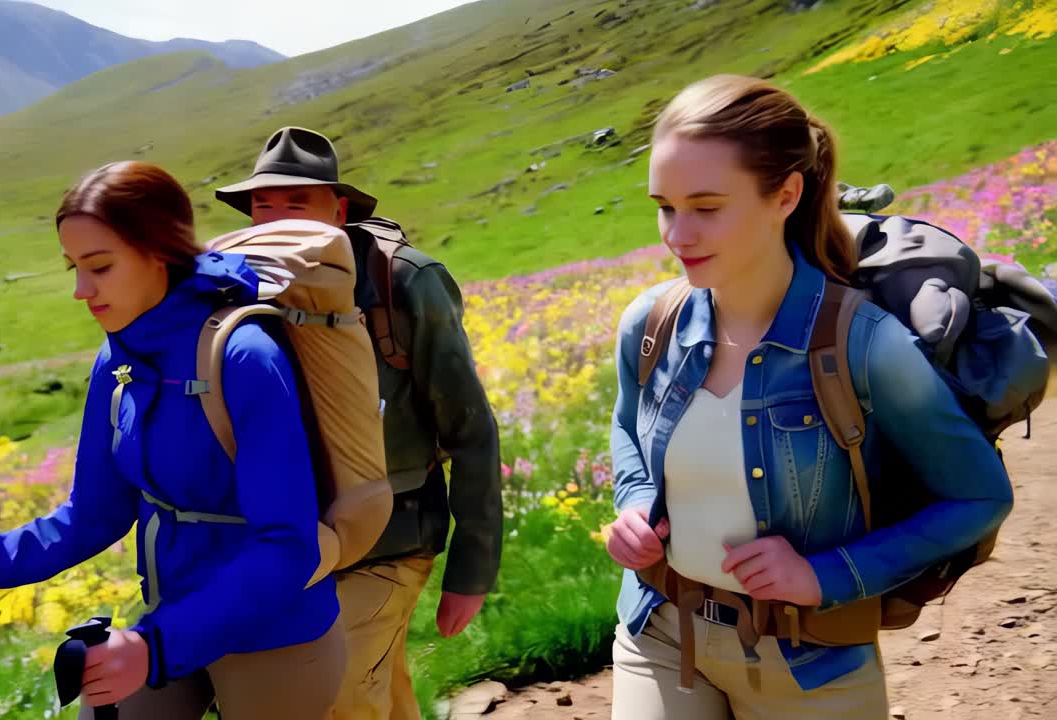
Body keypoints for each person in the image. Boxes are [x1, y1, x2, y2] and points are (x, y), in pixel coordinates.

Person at [604, 74, 1013, 719]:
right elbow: (627, 428)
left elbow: (980, 496)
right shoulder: (650, 323)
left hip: (809, 663)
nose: (676, 235)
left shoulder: (864, 344)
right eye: (664, 206)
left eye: (706, 207)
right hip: (659, 632)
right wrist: (633, 505)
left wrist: (827, 576)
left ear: (786, 194)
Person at [0, 161, 345, 719]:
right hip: (167, 621)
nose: (82, 291)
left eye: (100, 267)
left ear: (160, 252)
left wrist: (152, 647)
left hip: (277, 635)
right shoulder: (118, 359)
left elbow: (287, 546)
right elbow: (93, 516)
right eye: (74, 268)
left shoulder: (244, 356)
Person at [215, 126, 503, 720]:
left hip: (393, 537)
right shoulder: (239, 285)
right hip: (299, 540)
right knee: (377, 694)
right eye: (262, 207)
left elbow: (470, 426)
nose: (275, 221)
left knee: (336, 697)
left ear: (338, 209)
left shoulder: (403, 282)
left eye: (297, 205)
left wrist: (472, 571)